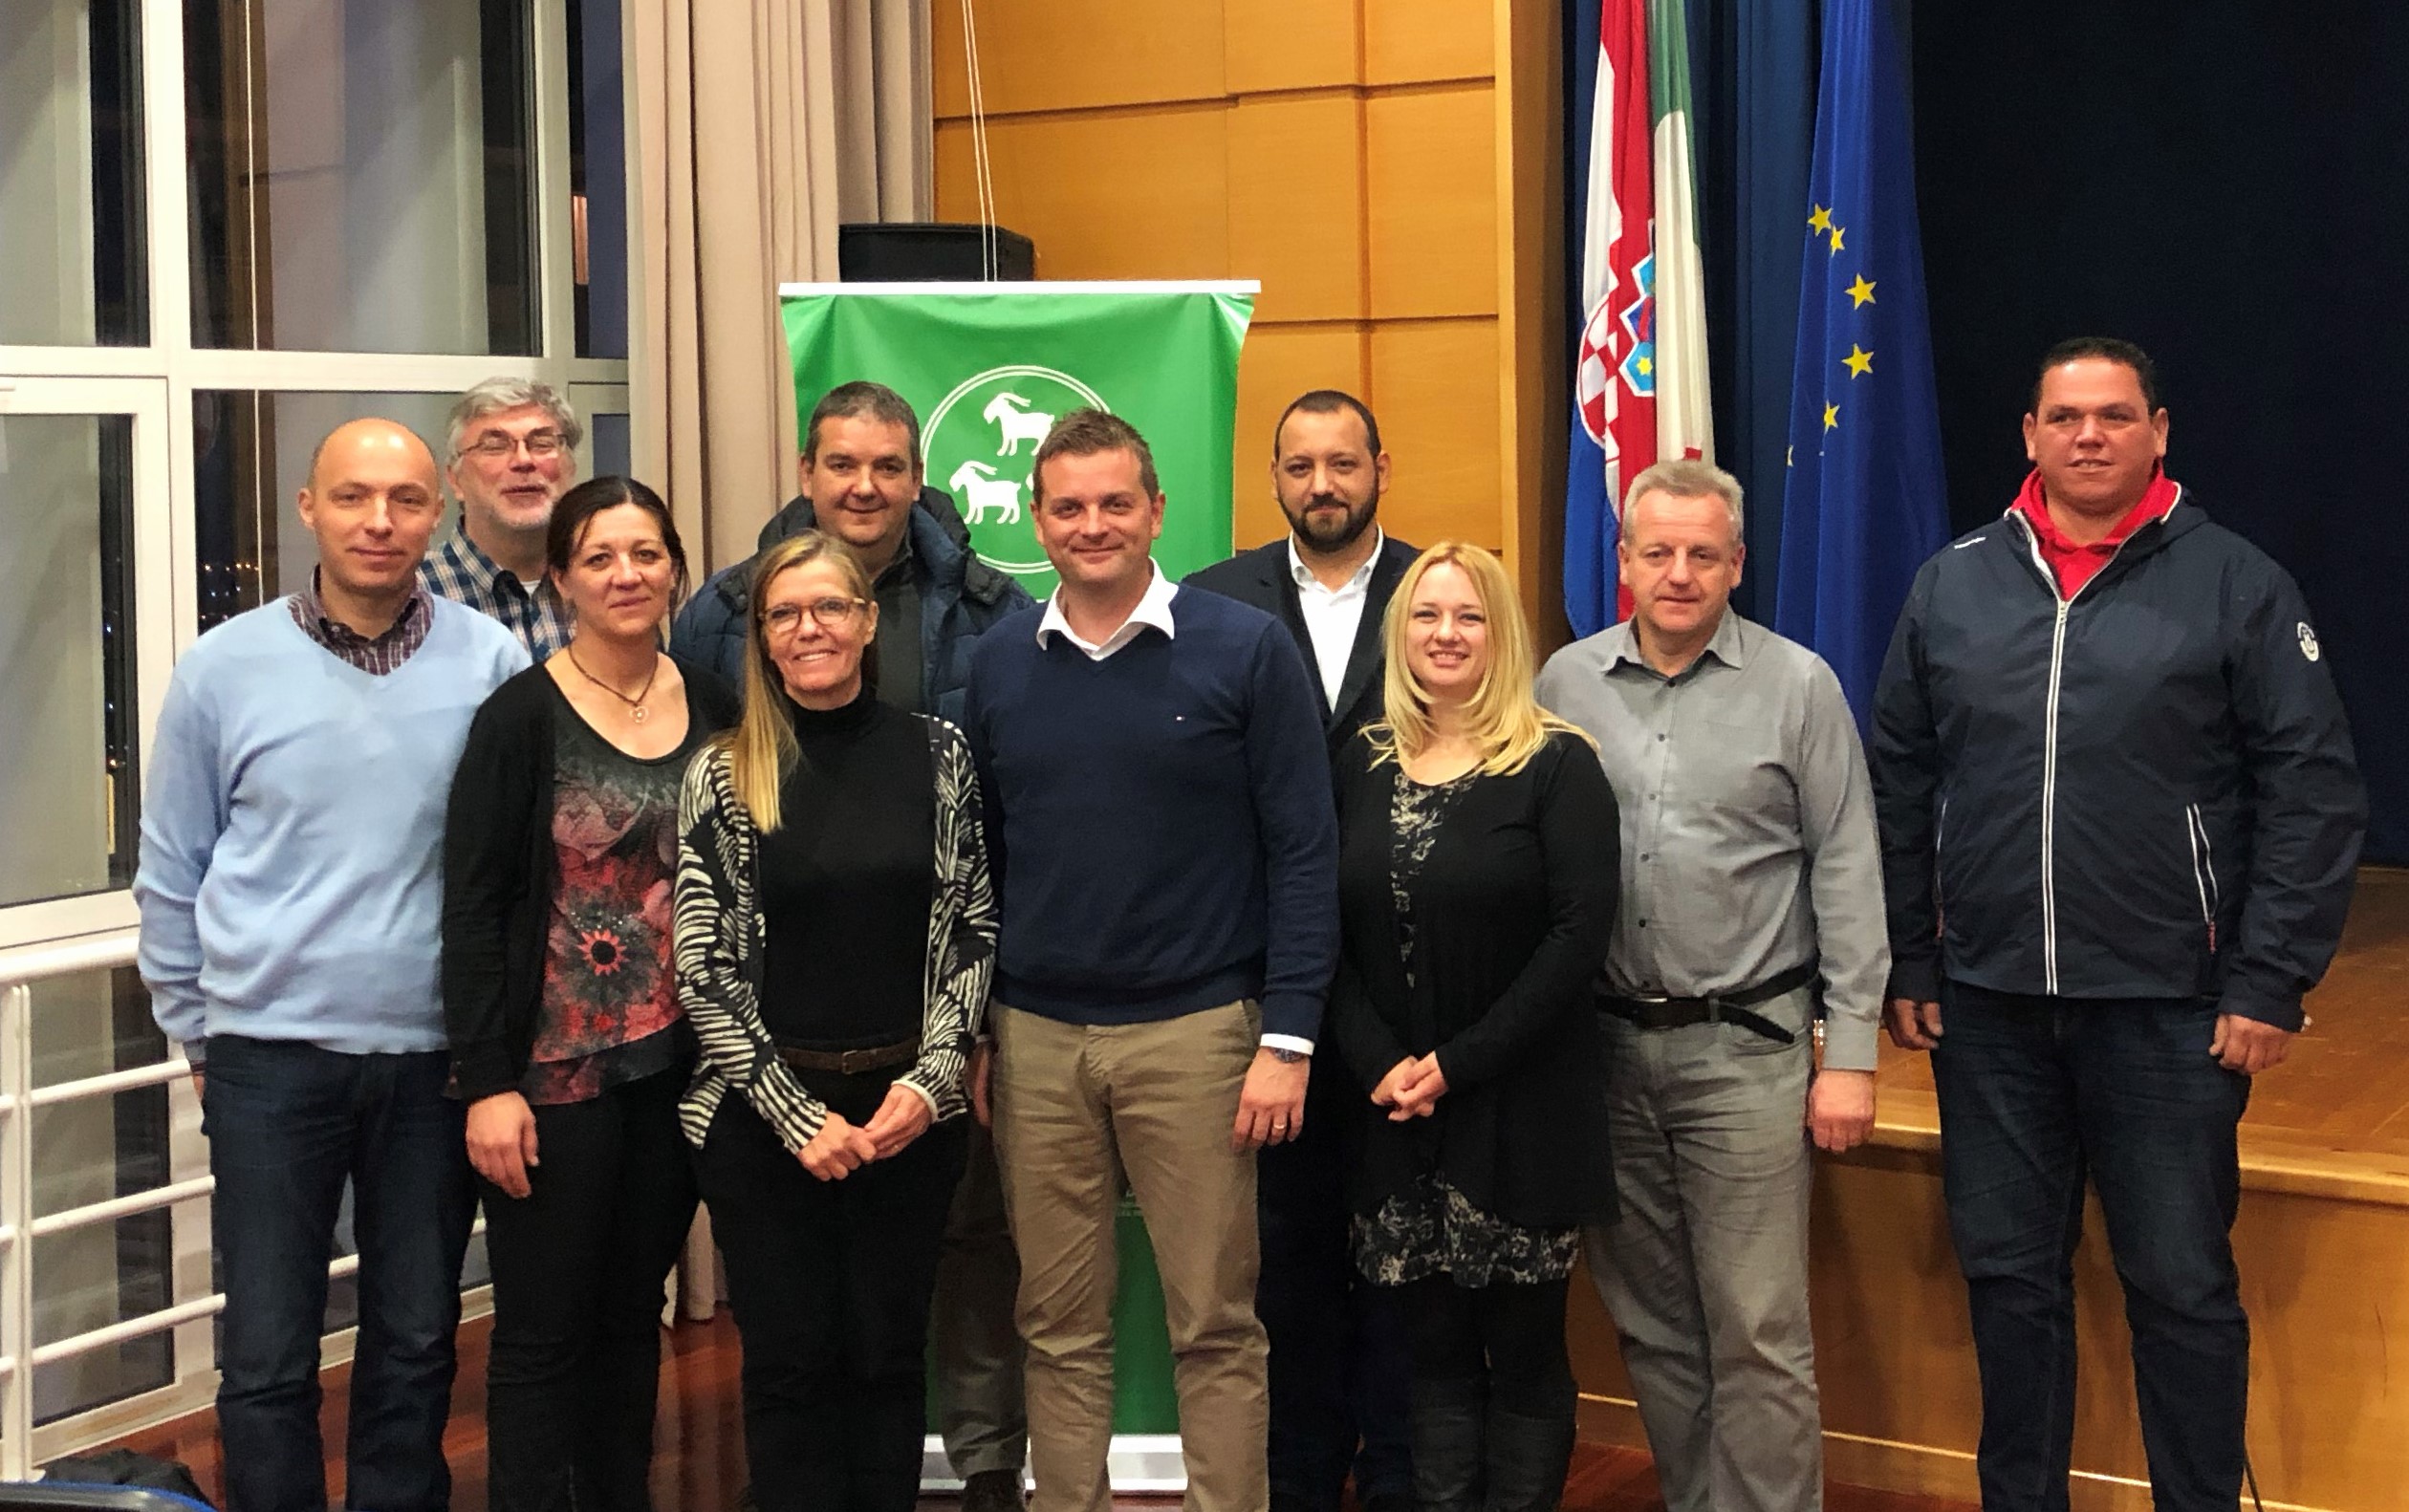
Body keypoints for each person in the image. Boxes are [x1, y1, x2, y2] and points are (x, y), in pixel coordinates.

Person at [1870, 337, 2366, 1512]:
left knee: (2181, 1286)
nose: (2088, 434)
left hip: (2170, 1010)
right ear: (2030, 435)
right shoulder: (1954, 584)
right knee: (2009, 1282)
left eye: (2113, 414)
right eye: (2065, 416)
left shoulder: (2237, 582)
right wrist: (1910, 954)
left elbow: (2313, 790)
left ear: (2158, 431)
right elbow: (1895, 779)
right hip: (1988, 1007)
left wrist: (2269, 979)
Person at [134, 419, 528, 1512]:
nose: (378, 521)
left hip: (435, 1062)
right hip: (268, 1059)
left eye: (405, 499)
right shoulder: (221, 669)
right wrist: (197, 1032)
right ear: (308, 508)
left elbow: (511, 872)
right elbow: (171, 866)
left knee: (417, 1336)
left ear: (438, 514)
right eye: (352, 496)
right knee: (267, 1354)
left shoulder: (492, 664)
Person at [961, 409, 1337, 1512]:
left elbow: (1304, 850)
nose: (1093, 525)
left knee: (1215, 1324)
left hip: (1201, 1035)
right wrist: (981, 1029)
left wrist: (1288, 1035)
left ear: (1157, 510)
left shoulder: (1245, 648)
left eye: (1115, 502)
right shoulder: (998, 663)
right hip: (1035, 1040)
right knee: (1056, 1324)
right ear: (1038, 521)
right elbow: (982, 857)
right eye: (1069, 507)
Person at [673, 379, 1036, 1508]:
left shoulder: (938, 756)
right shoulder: (723, 772)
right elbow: (703, 966)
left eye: (830, 608)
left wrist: (930, 1085)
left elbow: (972, 924)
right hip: (764, 1119)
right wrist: (795, 1117)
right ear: (760, 636)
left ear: (868, 622)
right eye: (786, 614)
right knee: (789, 1368)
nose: (810, 629)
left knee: (885, 1361)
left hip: (905, 1120)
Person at [1534, 459, 1887, 1512]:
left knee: (1758, 1331)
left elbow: (1846, 865)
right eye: (1658, 552)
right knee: (1653, 1326)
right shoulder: (1565, 684)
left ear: (1736, 563)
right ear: (1625, 562)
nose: (1678, 573)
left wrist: (1851, 1056)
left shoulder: (1799, 686)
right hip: (1604, 1056)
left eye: (1702, 554)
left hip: (1747, 1053)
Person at [441, 477, 739, 1511]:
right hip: (551, 1080)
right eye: (600, 557)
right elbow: (474, 907)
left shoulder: (718, 704)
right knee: (541, 1330)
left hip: (680, 1070)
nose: (626, 575)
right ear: (563, 579)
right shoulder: (520, 716)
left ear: (675, 570)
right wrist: (487, 1082)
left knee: (631, 1315)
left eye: (646, 553)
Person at [1327, 542, 1617, 1512]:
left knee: (1525, 1353)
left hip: (1520, 1108)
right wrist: (1378, 1060)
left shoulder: (1558, 763)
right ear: (1399, 632)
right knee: (1434, 1352)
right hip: (1393, 1113)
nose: (1445, 634)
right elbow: (1323, 929)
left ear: (1502, 635)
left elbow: (1577, 940)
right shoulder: (1360, 763)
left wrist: (1454, 1065)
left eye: (1469, 616)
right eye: (1427, 615)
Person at [1183, 388, 1419, 1512]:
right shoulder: (1212, 601)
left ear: (1381, 467)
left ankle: (1402, 1476)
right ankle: (1301, 1479)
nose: (1322, 483)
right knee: (1281, 1258)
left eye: (1343, 462)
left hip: (1406, 986)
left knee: (1398, 1257)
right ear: (1272, 477)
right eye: (1299, 465)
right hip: (1260, 981)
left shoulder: (1436, 592)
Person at [421, 378, 583, 659]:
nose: (523, 461)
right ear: (455, 479)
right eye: (494, 446)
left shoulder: (604, 586)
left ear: (571, 468)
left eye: (542, 443)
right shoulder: (411, 596)